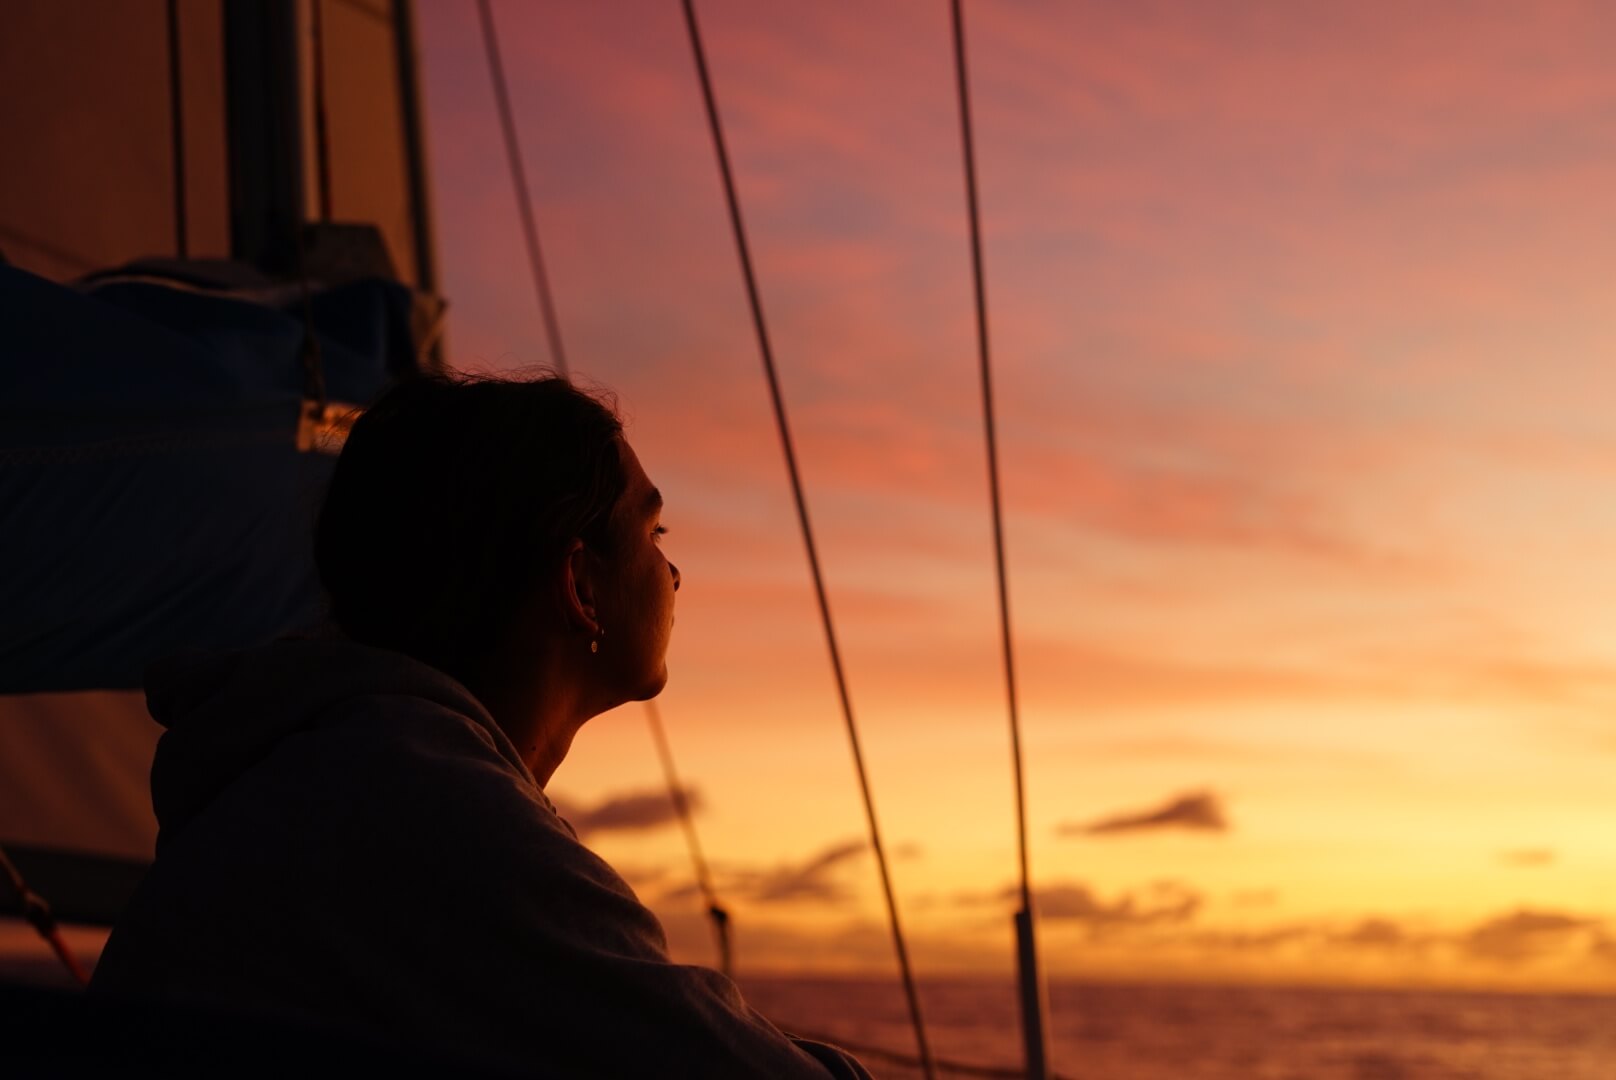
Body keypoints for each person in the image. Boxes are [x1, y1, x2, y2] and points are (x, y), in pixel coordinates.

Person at [91, 373, 870, 1079]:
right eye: (652, 533)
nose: (673, 574)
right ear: (578, 585)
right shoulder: (422, 807)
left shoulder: (339, 768)